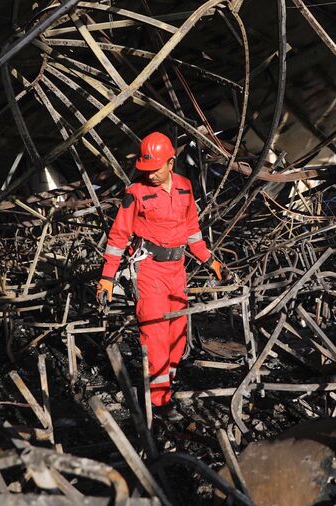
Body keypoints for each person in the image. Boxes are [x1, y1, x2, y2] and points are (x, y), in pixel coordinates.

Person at [96, 131, 226, 421]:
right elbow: (118, 237)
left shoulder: (184, 187)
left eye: (154, 168)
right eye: (145, 169)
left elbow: (193, 230)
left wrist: (210, 261)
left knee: (178, 334)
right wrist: (107, 277)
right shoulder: (135, 193)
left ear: (170, 162)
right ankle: (159, 401)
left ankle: (167, 381)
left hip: (177, 270)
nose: (150, 175)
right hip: (149, 270)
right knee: (155, 335)